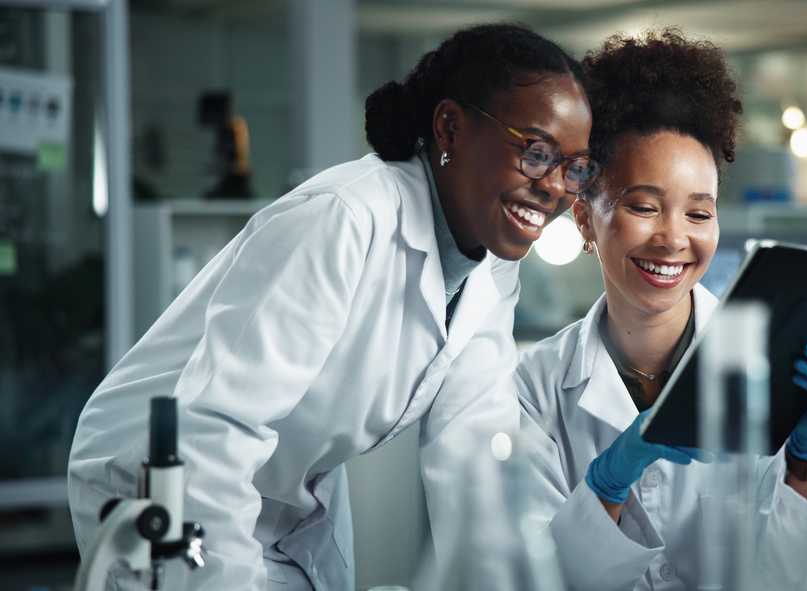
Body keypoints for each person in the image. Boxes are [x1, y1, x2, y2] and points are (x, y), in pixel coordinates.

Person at [68, 24, 599, 590]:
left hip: (283, 500)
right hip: (164, 486)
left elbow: (477, 450)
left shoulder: (490, 265)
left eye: (575, 167)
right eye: (537, 152)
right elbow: (214, 429)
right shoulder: (344, 218)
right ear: (450, 128)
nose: (556, 188)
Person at [515, 29, 807, 590]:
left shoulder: (768, 364)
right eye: (643, 206)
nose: (673, 238)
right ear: (585, 219)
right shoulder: (533, 388)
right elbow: (528, 580)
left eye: (698, 214)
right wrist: (608, 483)